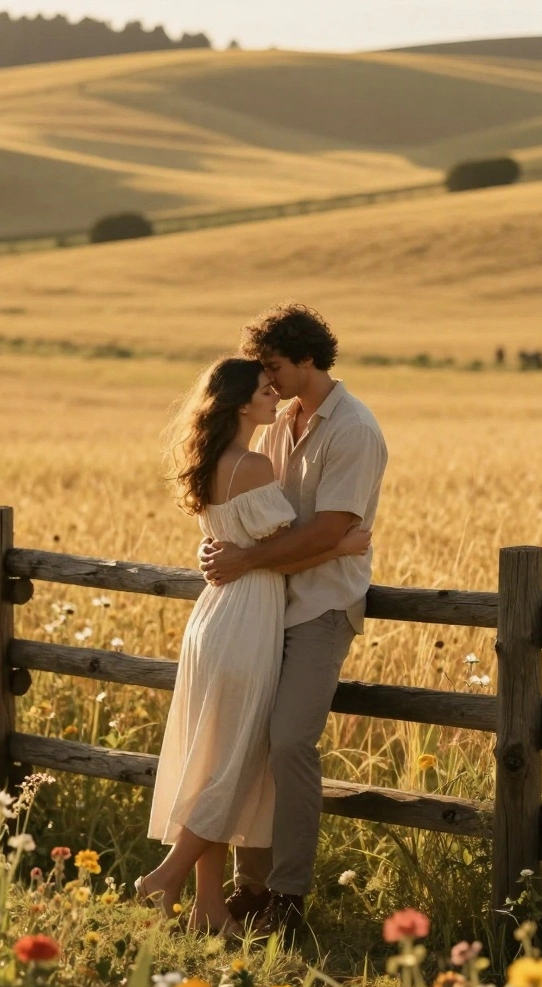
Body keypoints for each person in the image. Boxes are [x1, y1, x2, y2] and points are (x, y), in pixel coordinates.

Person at [136, 355, 371, 936]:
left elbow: (238, 540)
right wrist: (343, 549)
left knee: (213, 759)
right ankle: (163, 877)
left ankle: (209, 909)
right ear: (244, 404)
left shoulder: (215, 460)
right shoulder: (256, 465)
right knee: (233, 766)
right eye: (266, 391)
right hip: (246, 619)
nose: (275, 398)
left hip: (216, 616)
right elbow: (286, 547)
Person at [200, 304, 387, 940]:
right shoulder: (280, 423)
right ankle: (249, 887)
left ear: (306, 358)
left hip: (321, 608)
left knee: (288, 744)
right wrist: (224, 547)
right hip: (265, 605)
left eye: (274, 366)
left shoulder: (353, 430)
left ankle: (288, 894)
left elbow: (334, 529)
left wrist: (243, 557)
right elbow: (254, 508)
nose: (267, 378)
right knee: (250, 741)